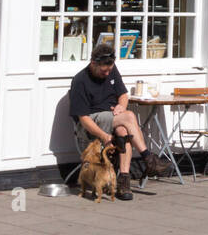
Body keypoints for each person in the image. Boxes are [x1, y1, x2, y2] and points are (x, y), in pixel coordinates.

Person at [69, 45, 167, 201]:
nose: (107, 73)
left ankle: (124, 182)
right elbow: (83, 119)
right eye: (104, 71)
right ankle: (148, 158)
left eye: (110, 70)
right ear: (93, 63)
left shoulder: (111, 70)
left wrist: (121, 105)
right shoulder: (80, 81)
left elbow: (123, 95)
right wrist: (103, 135)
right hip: (91, 123)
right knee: (128, 117)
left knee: (123, 131)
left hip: (112, 118)